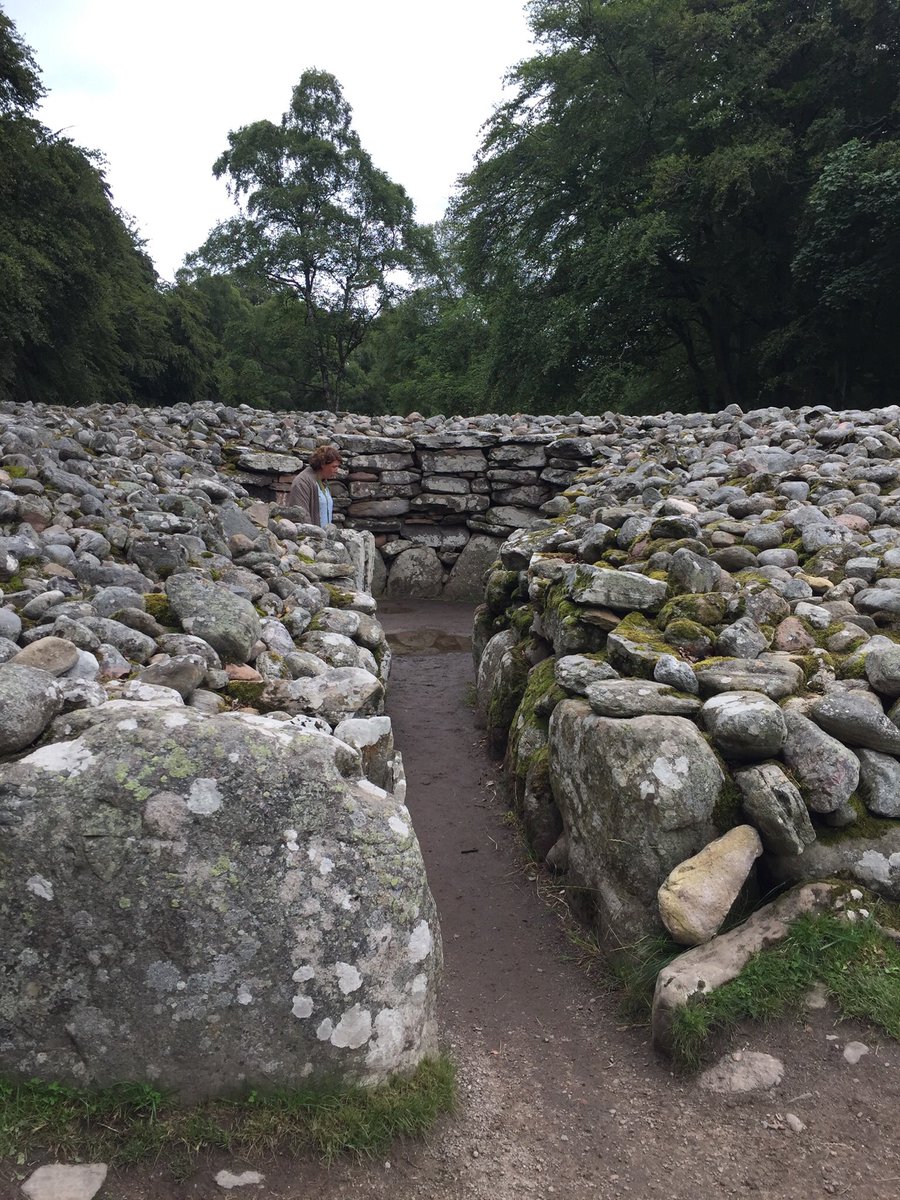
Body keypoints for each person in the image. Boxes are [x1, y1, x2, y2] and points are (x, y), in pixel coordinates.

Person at [288, 445, 342, 527]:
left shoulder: (323, 482)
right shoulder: (302, 482)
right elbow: (302, 516)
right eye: (334, 467)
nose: (336, 470)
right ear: (323, 464)